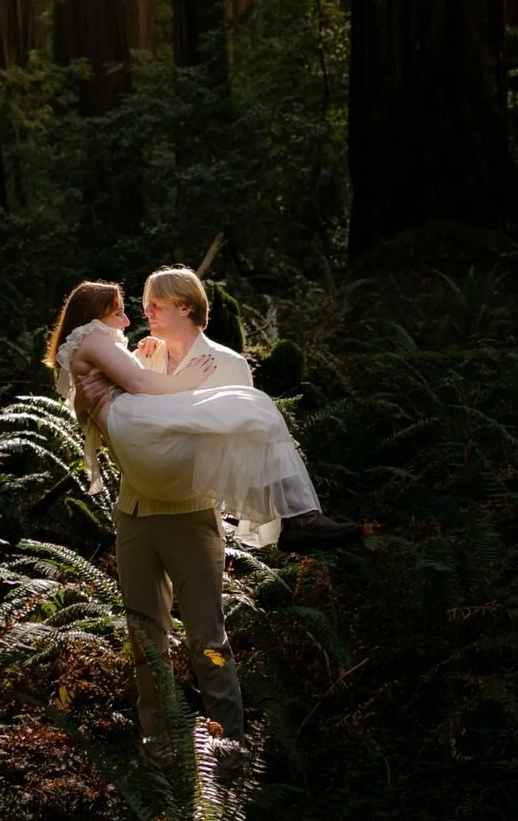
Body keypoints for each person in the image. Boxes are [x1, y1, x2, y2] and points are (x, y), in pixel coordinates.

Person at [46, 266, 361, 750]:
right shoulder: (137, 357)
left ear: (185, 307)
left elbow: (227, 443)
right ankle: (160, 744)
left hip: (190, 515)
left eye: (154, 303)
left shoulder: (228, 364)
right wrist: (92, 406)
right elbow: (120, 433)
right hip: (134, 512)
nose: (143, 313)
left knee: (206, 639)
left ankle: (228, 745)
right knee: (144, 637)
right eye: (140, 303)